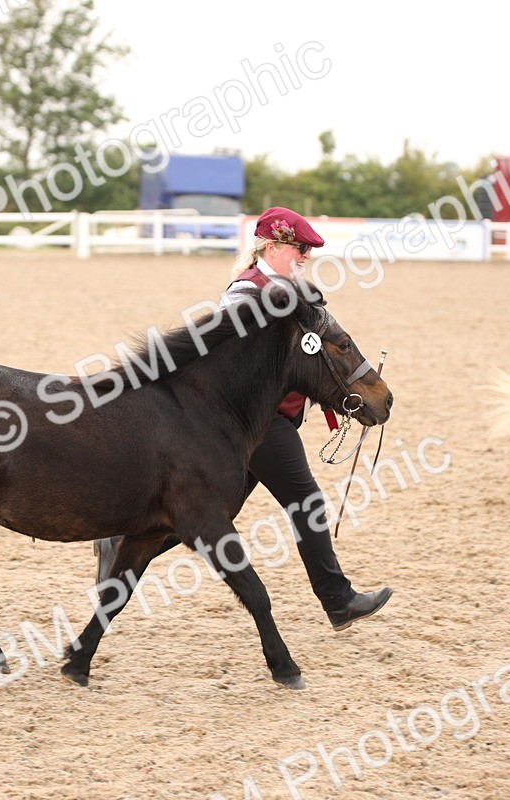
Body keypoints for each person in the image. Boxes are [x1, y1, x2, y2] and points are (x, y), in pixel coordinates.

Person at [94, 207, 392, 632]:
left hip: (270, 421)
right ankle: (338, 599)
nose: (306, 255)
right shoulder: (244, 293)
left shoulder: (296, 290)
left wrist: (353, 384)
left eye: (308, 249)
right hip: (256, 422)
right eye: (299, 247)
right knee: (305, 500)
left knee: (205, 513)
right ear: (271, 247)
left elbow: (323, 346)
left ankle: (119, 541)